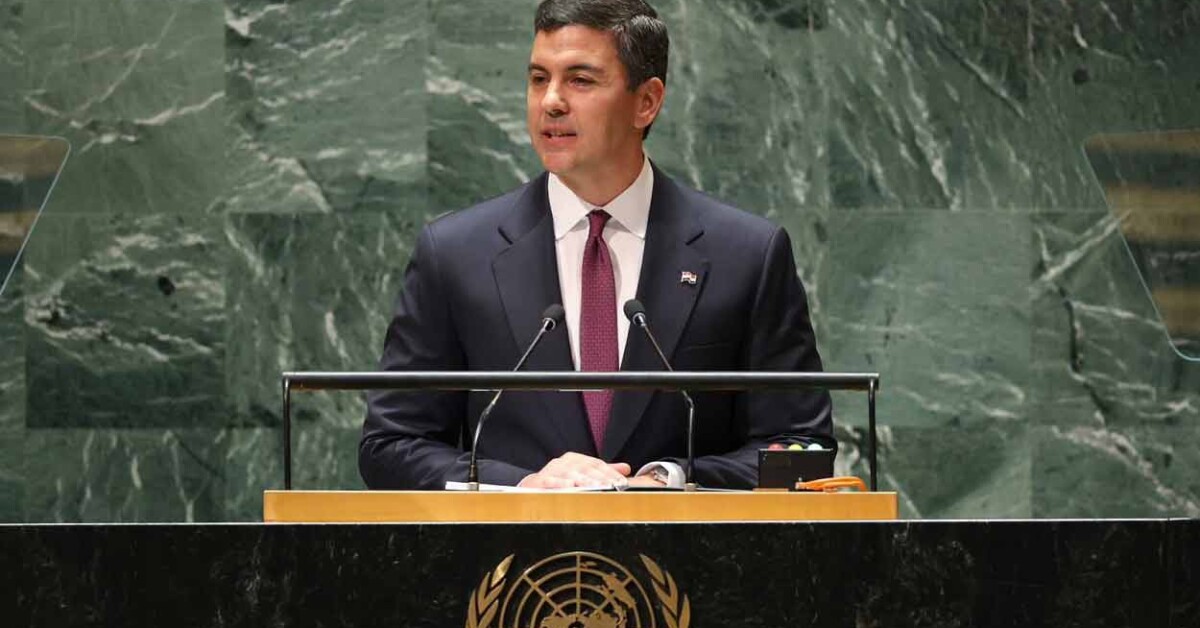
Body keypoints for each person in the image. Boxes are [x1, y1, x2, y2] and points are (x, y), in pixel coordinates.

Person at [359, 0, 834, 490]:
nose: (551, 101)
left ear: (646, 102)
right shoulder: (456, 254)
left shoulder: (747, 256)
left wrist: (670, 480)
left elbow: (803, 448)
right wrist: (522, 485)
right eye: (538, 79)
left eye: (580, 80)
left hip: (684, 540)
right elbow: (392, 445)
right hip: (513, 541)